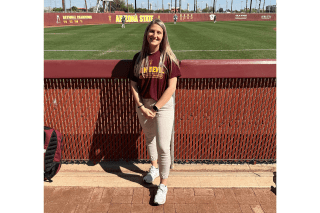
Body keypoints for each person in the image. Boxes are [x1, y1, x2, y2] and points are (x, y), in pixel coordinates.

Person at [128, 19, 181, 205]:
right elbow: (133, 85)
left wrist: (156, 107)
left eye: (159, 32)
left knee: (164, 146)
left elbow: (171, 87)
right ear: (146, 33)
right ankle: (154, 168)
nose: (155, 35)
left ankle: (163, 185)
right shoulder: (138, 58)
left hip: (162, 105)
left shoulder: (168, 58)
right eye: (152, 31)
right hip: (143, 104)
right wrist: (142, 106)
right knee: (150, 137)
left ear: (163, 36)